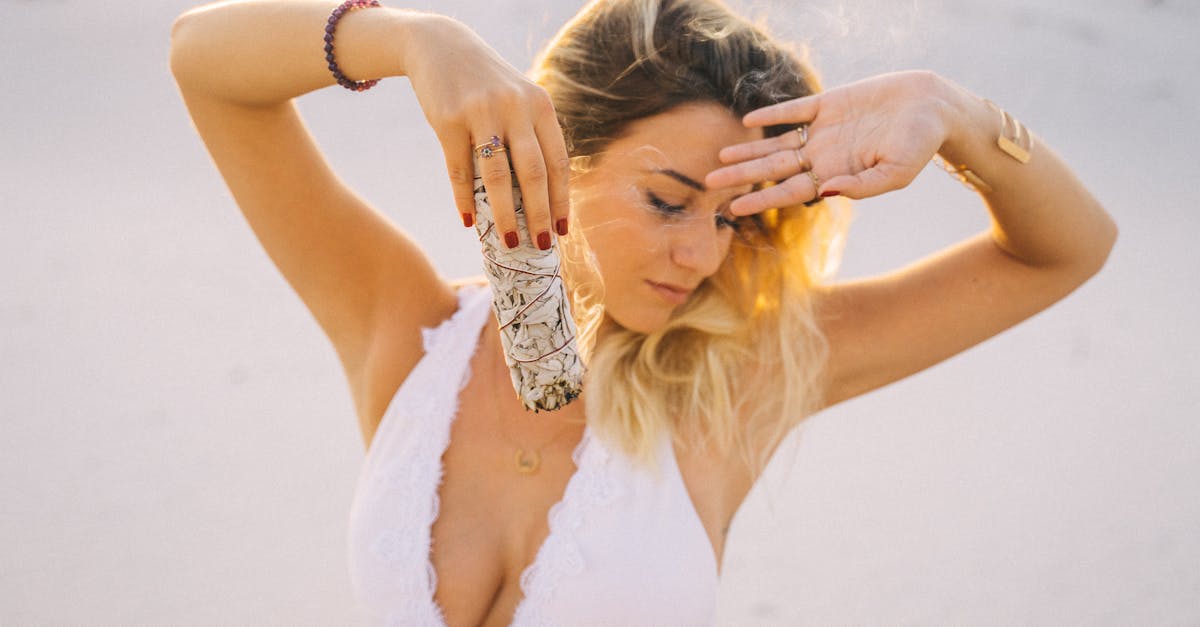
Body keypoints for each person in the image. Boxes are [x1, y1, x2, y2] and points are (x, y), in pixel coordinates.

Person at [168, 0, 1117, 624]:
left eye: (738, 221)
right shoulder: (408, 330)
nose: (703, 257)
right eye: (669, 200)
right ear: (557, 154)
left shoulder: (746, 376)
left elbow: (1068, 249)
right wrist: (416, 41)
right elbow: (202, 62)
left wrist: (953, 114)